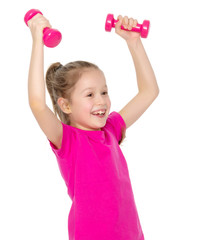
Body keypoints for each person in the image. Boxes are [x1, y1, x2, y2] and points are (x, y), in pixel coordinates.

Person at [27, 13, 159, 240]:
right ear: (65, 105)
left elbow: (149, 91)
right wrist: (37, 41)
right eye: (90, 94)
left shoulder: (111, 129)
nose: (101, 101)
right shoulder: (67, 140)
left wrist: (134, 42)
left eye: (104, 92)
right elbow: (37, 104)